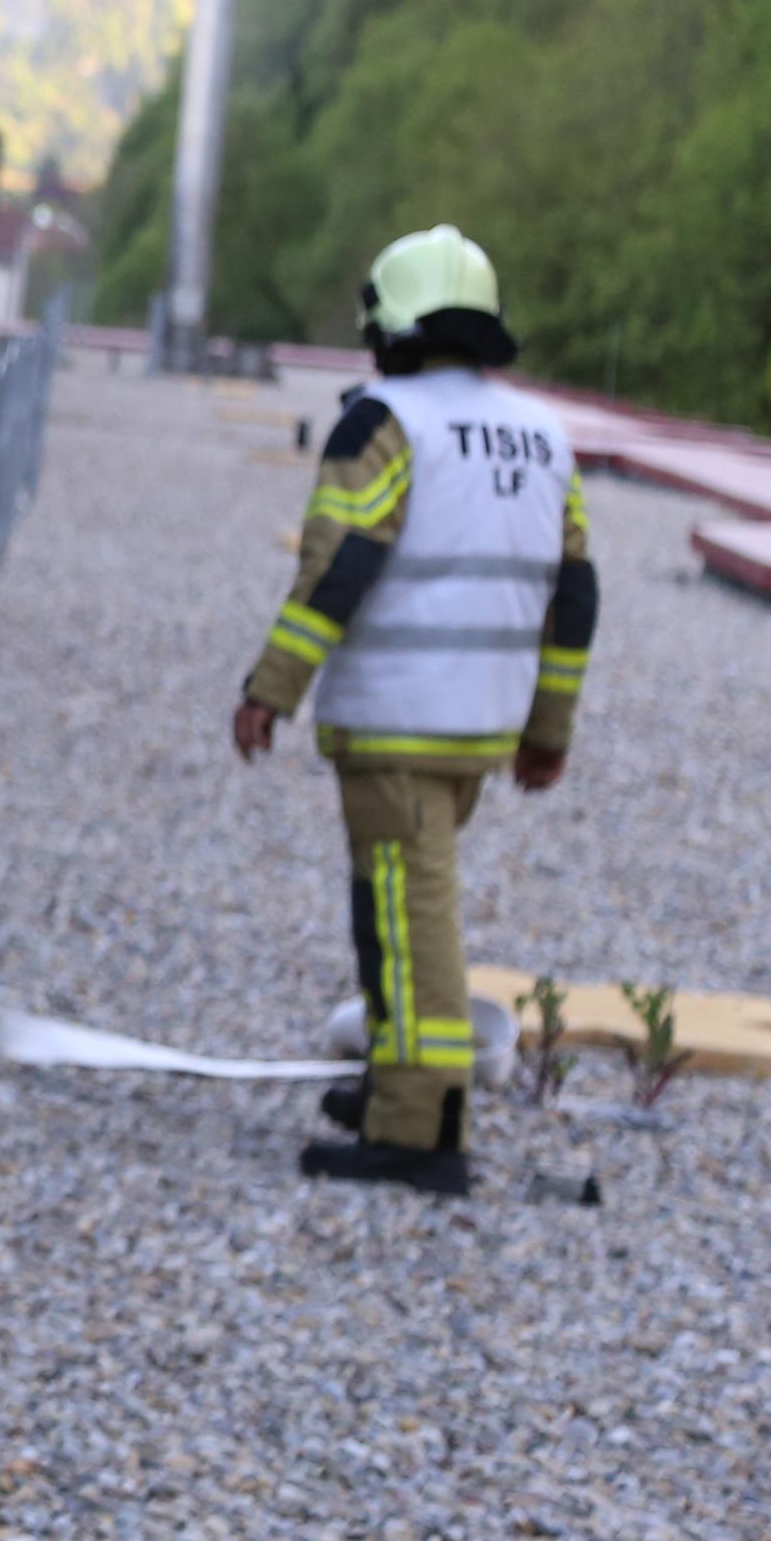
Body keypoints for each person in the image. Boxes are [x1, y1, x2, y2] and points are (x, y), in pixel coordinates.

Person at [232, 224, 594, 1195]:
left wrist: (269, 690)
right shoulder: (543, 434)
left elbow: (338, 567)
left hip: (396, 721)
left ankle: (418, 1130)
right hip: (483, 726)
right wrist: (548, 730)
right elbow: (575, 596)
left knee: (405, 921)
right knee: (397, 908)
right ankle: (399, 1086)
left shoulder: (383, 423)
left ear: (390, 328)